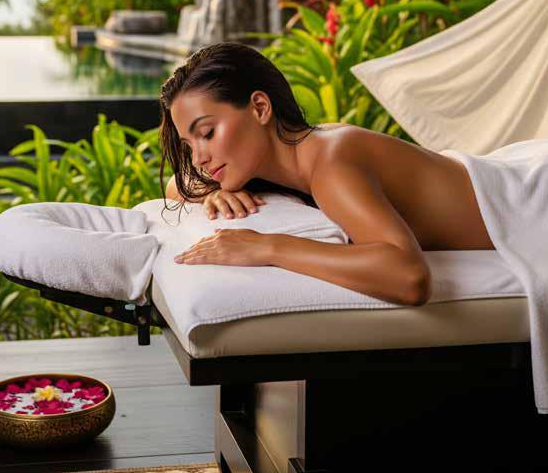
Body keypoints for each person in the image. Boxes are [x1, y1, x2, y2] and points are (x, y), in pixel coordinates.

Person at [157, 42, 496, 307]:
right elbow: (177, 185)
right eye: (189, 145)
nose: (198, 158)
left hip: (523, 205)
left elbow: (410, 278)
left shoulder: (331, 163)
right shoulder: (298, 152)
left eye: (207, 133)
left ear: (260, 108)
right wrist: (213, 192)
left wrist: (266, 247)